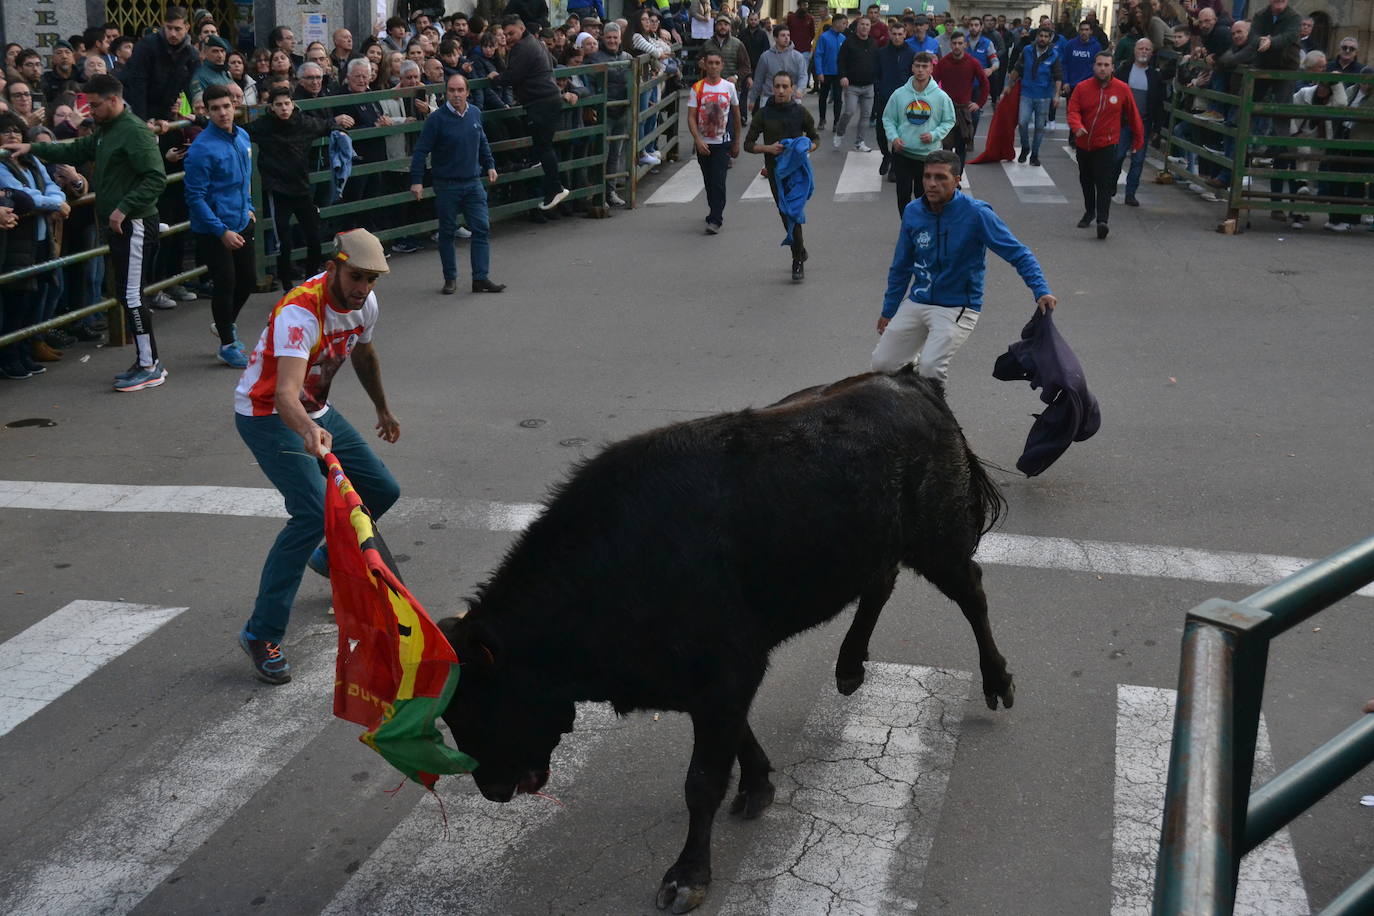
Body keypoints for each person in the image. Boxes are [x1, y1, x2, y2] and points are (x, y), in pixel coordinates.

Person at [232, 228, 401, 685]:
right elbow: (286, 394)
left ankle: (328, 559)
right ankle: (261, 634)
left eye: (371, 279)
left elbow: (364, 355)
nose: (363, 288)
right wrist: (309, 431)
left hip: (315, 410)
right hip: (267, 413)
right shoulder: (299, 313)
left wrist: (382, 408)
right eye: (356, 277)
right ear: (333, 268)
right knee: (310, 512)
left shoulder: (364, 305)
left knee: (383, 489)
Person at [9, 74, 167, 391]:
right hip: (123, 223)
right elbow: (79, 148)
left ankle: (150, 364)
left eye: (94, 105)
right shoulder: (107, 129)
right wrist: (33, 147)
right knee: (127, 293)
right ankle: (145, 359)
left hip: (133, 223)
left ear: (113, 100)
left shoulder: (134, 132)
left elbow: (155, 177)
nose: (90, 111)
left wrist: (124, 207)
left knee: (133, 296)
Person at [873, 149, 1055, 388]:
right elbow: (901, 266)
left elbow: (1018, 253)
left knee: (931, 369)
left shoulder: (977, 214)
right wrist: (889, 310)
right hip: (919, 300)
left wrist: (1040, 289)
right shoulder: (913, 211)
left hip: (958, 306)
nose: (931, 184)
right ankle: (916, 391)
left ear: (957, 181)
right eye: (927, 176)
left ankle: (936, 421)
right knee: (883, 364)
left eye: (940, 178)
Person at [410, 74, 505, 295]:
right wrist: (416, 181)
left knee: (481, 228)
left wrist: (490, 165)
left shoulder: (474, 113)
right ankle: (450, 278)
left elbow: (481, 140)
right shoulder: (436, 119)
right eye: (452, 91)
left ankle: (480, 278)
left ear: (467, 92)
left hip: (472, 182)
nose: (456, 95)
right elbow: (421, 151)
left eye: (460, 90)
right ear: (446, 93)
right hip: (447, 184)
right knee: (447, 232)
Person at [183, 83, 255, 368]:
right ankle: (227, 343)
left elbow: (247, 176)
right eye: (215, 109)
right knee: (225, 282)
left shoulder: (243, 137)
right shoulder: (201, 149)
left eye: (226, 106)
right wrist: (220, 230)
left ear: (234, 106)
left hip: (241, 219)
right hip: (214, 229)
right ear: (208, 112)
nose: (223, 113)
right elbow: (195, 196)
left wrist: (249, 207)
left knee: (247, 280)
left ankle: (225, 323)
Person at [744, 71, 818, 281]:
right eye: (777, 86)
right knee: (785, 213)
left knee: (792, 213)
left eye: (785, 86)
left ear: (793, 89)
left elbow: (815, 138)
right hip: (776, 172)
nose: (781, 90)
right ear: (772, 88)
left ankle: (797, 260)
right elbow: (748, 145)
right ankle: (800, 250)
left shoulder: (800, 112)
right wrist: (768, 148)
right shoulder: (763, 114)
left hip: (798, 173)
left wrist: (805, 147)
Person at [492, 16, 570, 211]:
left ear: (522, 28)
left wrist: (495, 78)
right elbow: (549, 62)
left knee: (545, 147)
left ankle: (556, 188)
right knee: (543, 146)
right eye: (506, 34)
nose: (509, 38)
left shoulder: (522, 47)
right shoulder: (535, 42)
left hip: (540, 102)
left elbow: (512, 76)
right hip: (547, 98)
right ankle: (536, 162)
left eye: (512, 33)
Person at [1067, 52, 1143, 239]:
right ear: (1094, 66)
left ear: (1112, 67)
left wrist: (1138, 140)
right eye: (1099, 64)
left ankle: (1103, 220)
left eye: (1106, 65)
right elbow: (1073, 110)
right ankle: (1089, 211)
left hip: (1107, 143)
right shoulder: (1082, 88)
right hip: (1084, 144)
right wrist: (1077, 127)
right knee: (1086, 181)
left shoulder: (1122, 89)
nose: (1102, 68)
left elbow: (1134, 116)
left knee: (1104, 183)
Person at [881, 52, 954, 215]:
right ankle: (907, 227)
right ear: (912, 68)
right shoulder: (899, 94)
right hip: (903, 154)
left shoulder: (941, 97)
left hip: (928, 157)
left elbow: (949, 120)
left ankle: (925, 229)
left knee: (926, 197)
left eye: (924, 66)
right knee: (903, 195)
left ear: (931, 69)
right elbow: (888, 119)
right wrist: (894, 138)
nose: (920, 70)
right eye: (917, 66)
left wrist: (934, 135)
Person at [688, 48, 741, 234]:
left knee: (718, 181)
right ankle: (713, 210)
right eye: (710, 63)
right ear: (705, 64)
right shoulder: (697, 88)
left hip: (722, 143)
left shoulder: (729, 87)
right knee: (709, 181)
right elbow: (691, 117)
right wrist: (697, 140)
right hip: (704, 144)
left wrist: (736, 142)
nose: (713, 66)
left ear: (722, 65)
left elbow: (736, 114)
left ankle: (716, 219)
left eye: (717, 63)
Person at [120, 6, 199, 121]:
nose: (172, 34)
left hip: (164, 110)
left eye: (177, 29)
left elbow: (192, 86)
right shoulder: (146, 46)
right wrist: (142, 121)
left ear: (187, 28)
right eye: (169, 28)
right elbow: (137, 84)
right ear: (163, 25)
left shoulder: (191, 54)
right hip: (133, 105)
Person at [1003, 25, 1062, 165]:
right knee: (1022, 123)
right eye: (1041, 36)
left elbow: (1058, 76)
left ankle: (1034, 154)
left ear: (1050, 39)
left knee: (1039, 127)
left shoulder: (1054, 54)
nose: (1043, 39)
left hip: (1044, 96)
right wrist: (1008, 85)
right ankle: (1025, 147)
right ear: (1036, 37)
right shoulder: (1027, 50)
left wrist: (1057, 95)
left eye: (1046, 37)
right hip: (1027, 93)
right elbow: (1017, 68)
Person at [1115, 39, 1163, 208]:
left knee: (1138, 160)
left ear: (1151, 53)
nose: (1144, 51)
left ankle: (1130, 194)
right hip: (1123, 123)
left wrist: (1157, 128)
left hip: (1143, 125)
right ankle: (1111, 186)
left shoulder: (1155, 76)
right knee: (1118, 156)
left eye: (1147, 49)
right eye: (1141, 48)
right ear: (1135, 51)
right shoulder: (1123, 70)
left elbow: (1159, 104)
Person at [931, 32, 989, 168]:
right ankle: (947, 176)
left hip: (964, 111)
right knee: (946, 147)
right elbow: (932, 83)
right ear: (950, 45)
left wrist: (979, 103)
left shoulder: (973, 62)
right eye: (954, 43)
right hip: (946, 111)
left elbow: (984, 83)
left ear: (965, 45)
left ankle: (958, 177)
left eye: (960, 43)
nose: (957, 46)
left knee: (961, 148)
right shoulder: (943, 62)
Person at [590, 23, 631, 206]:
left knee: (616, 153)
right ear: (603, 38)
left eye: (615, 37)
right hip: (604, 111)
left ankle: (611, 192)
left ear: (620, 38)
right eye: (609, 37)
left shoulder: (627, 57)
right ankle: (599, 194)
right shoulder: (595, 58)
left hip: (622, 111)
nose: (612, 40)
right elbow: (589, 83)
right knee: (603, 154)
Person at [874, 22, 914, 178]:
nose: (897, 37)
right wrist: (879, 87)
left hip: (904, 100)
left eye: (900, 34)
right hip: (884, 97)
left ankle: (895, 167)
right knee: (881, 131)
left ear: (905, 35)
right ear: (890, 34)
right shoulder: (881, 53)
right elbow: (875, 74)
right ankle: (886, 155)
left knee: (900, 132)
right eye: (894, 34)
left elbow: (913, 76)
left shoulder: (911, 53)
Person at [834, 13, 877, 152]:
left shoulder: (873, 42)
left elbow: (877, 61)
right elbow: (841, 61)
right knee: (849, 111)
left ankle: (860, 142)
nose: (864, 27)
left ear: (870, 27)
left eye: (867, 25)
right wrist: (843, 76)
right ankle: (840, 132)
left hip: (869, 86)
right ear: (857, 26)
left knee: (865, 116)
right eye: (862, 24)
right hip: (852, 85)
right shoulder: (849, 41)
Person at [749, 25, 807, 116]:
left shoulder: (798, 56)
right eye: (783, 35)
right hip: (769, 97)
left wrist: (800, 89)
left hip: (792, 97)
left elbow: (803, 75)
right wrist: (752, 99)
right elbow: (758, 79)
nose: (786, 38)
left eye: (788, 35)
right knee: (769, 128)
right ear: (775, 38)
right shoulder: (765, 57)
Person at [813, 13, 847, 130]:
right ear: (836, 23)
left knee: (838, 98)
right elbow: (818, 55)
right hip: (826, 72)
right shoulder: (824, 37)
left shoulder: (843, 38)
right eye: (843, 23)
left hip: (839, 73)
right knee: (823, 96)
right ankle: (822, 119)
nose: (844, 26)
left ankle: (836, 122)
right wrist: (819, 72)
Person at [785, 0, 816, 89]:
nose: (805, 6)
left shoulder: (810, 18)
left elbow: (812, 33)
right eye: (804, 5)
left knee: (803, 71)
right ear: (799, 5)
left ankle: (800, 90)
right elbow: (787, 31)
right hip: (792, 49)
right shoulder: (791, 18)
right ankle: (791, 87)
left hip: (805, 49)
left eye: (807, 5)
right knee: (791, 70)